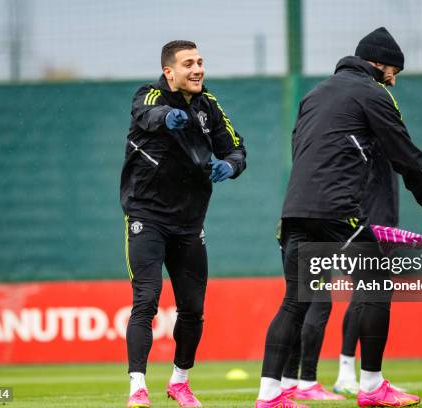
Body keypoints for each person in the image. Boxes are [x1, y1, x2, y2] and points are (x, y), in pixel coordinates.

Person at [255, 27, 422, 408]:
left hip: (294, 210)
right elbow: (406, 155)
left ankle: (269, 396)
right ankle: (372, 386)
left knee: (295, 301)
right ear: (378, 64)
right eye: (394, 71)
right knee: (376, 285)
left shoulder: (314, 94)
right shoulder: (373, 93)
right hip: (336, 212)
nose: (394, 80)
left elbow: (303, 148)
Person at [120, 40, 246, 408]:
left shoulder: (209, 105)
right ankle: (137, 388)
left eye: (200, 62)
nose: (197, 69)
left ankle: (180, 382)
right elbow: (146, 115)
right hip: (147, 216)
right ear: (169, 71)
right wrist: (165, 118)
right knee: (146, 300)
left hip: (190, 223)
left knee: (193, 308)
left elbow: (236, 147)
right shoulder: (149, 95)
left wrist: (231, 165)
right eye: (188, 63)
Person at [279, 145, 400, 401]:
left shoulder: (320, 139)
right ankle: (310, 381)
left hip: (307, 220)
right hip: (328, 222)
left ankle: (294, 382)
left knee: (305, 300)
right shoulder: (355, 136)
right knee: (315, 301)